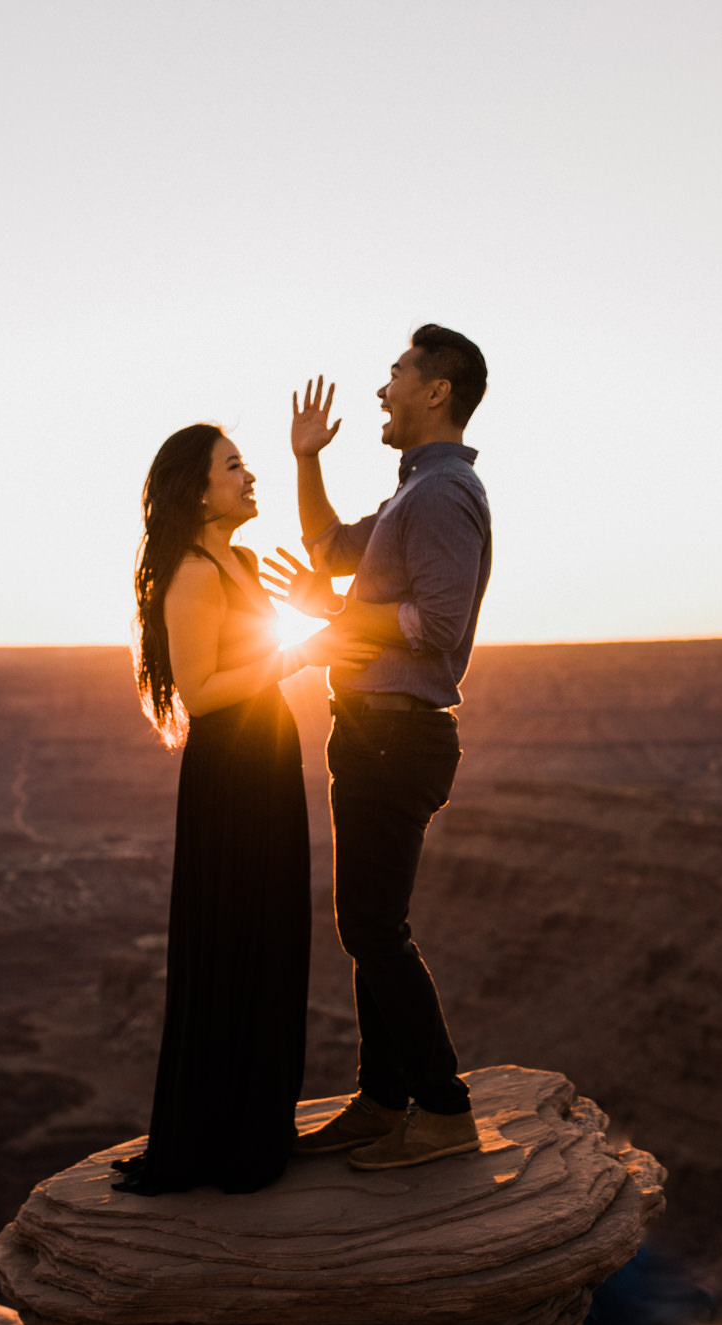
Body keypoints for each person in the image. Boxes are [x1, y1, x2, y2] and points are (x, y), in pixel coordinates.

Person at [115, 423, 375, 1195]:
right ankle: (222, 1137)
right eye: (234, 466)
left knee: (270, 934)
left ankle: (257, 1123)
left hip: (264, 763)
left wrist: (313, 613)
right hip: (229, 777)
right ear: (199, 490)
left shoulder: (244, 561)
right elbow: (201, 694)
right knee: (235, 934)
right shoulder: (193, 573)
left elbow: (263, 657)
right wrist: (303, 653)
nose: (249, 475)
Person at [263, 324, 493, 1171]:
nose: (382, 388)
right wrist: (306, 460)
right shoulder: (412, 492)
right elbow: (328, 549)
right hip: (372, 731)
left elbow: (438, 624)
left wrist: (335, 619)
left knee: (372, 927)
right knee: (368, 923)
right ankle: (381, 1098)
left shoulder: (438, 498)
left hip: (398, 734)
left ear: (437, 390)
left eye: (395, 372)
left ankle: (441, 1108)